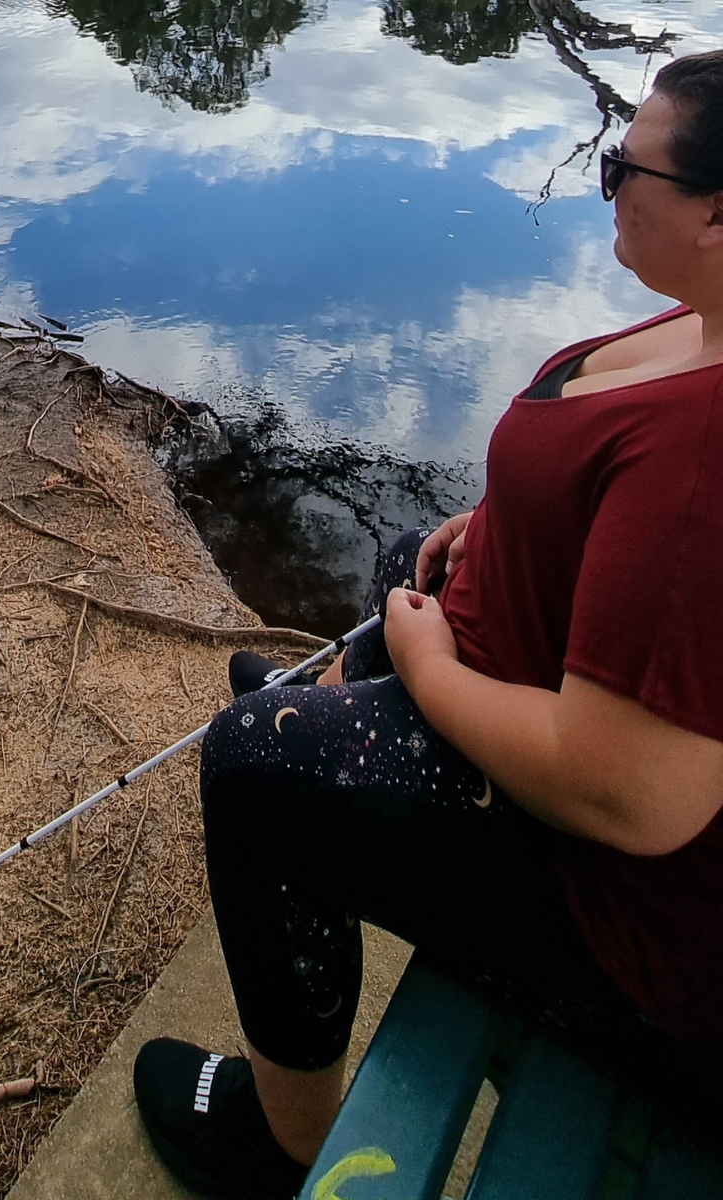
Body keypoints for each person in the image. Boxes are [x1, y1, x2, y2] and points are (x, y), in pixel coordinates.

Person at [133, 49, 723, 1200]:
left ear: (715, 213)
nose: (610, 183)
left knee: (254, 771)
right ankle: (353, 704)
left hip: (629, 925)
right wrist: (506, 524)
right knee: (414, 560)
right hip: (548, 740)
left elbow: (633, 798)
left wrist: (427, 662)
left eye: (625, 164)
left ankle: (276, 1140)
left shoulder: (707, 470)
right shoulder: (698, 327)